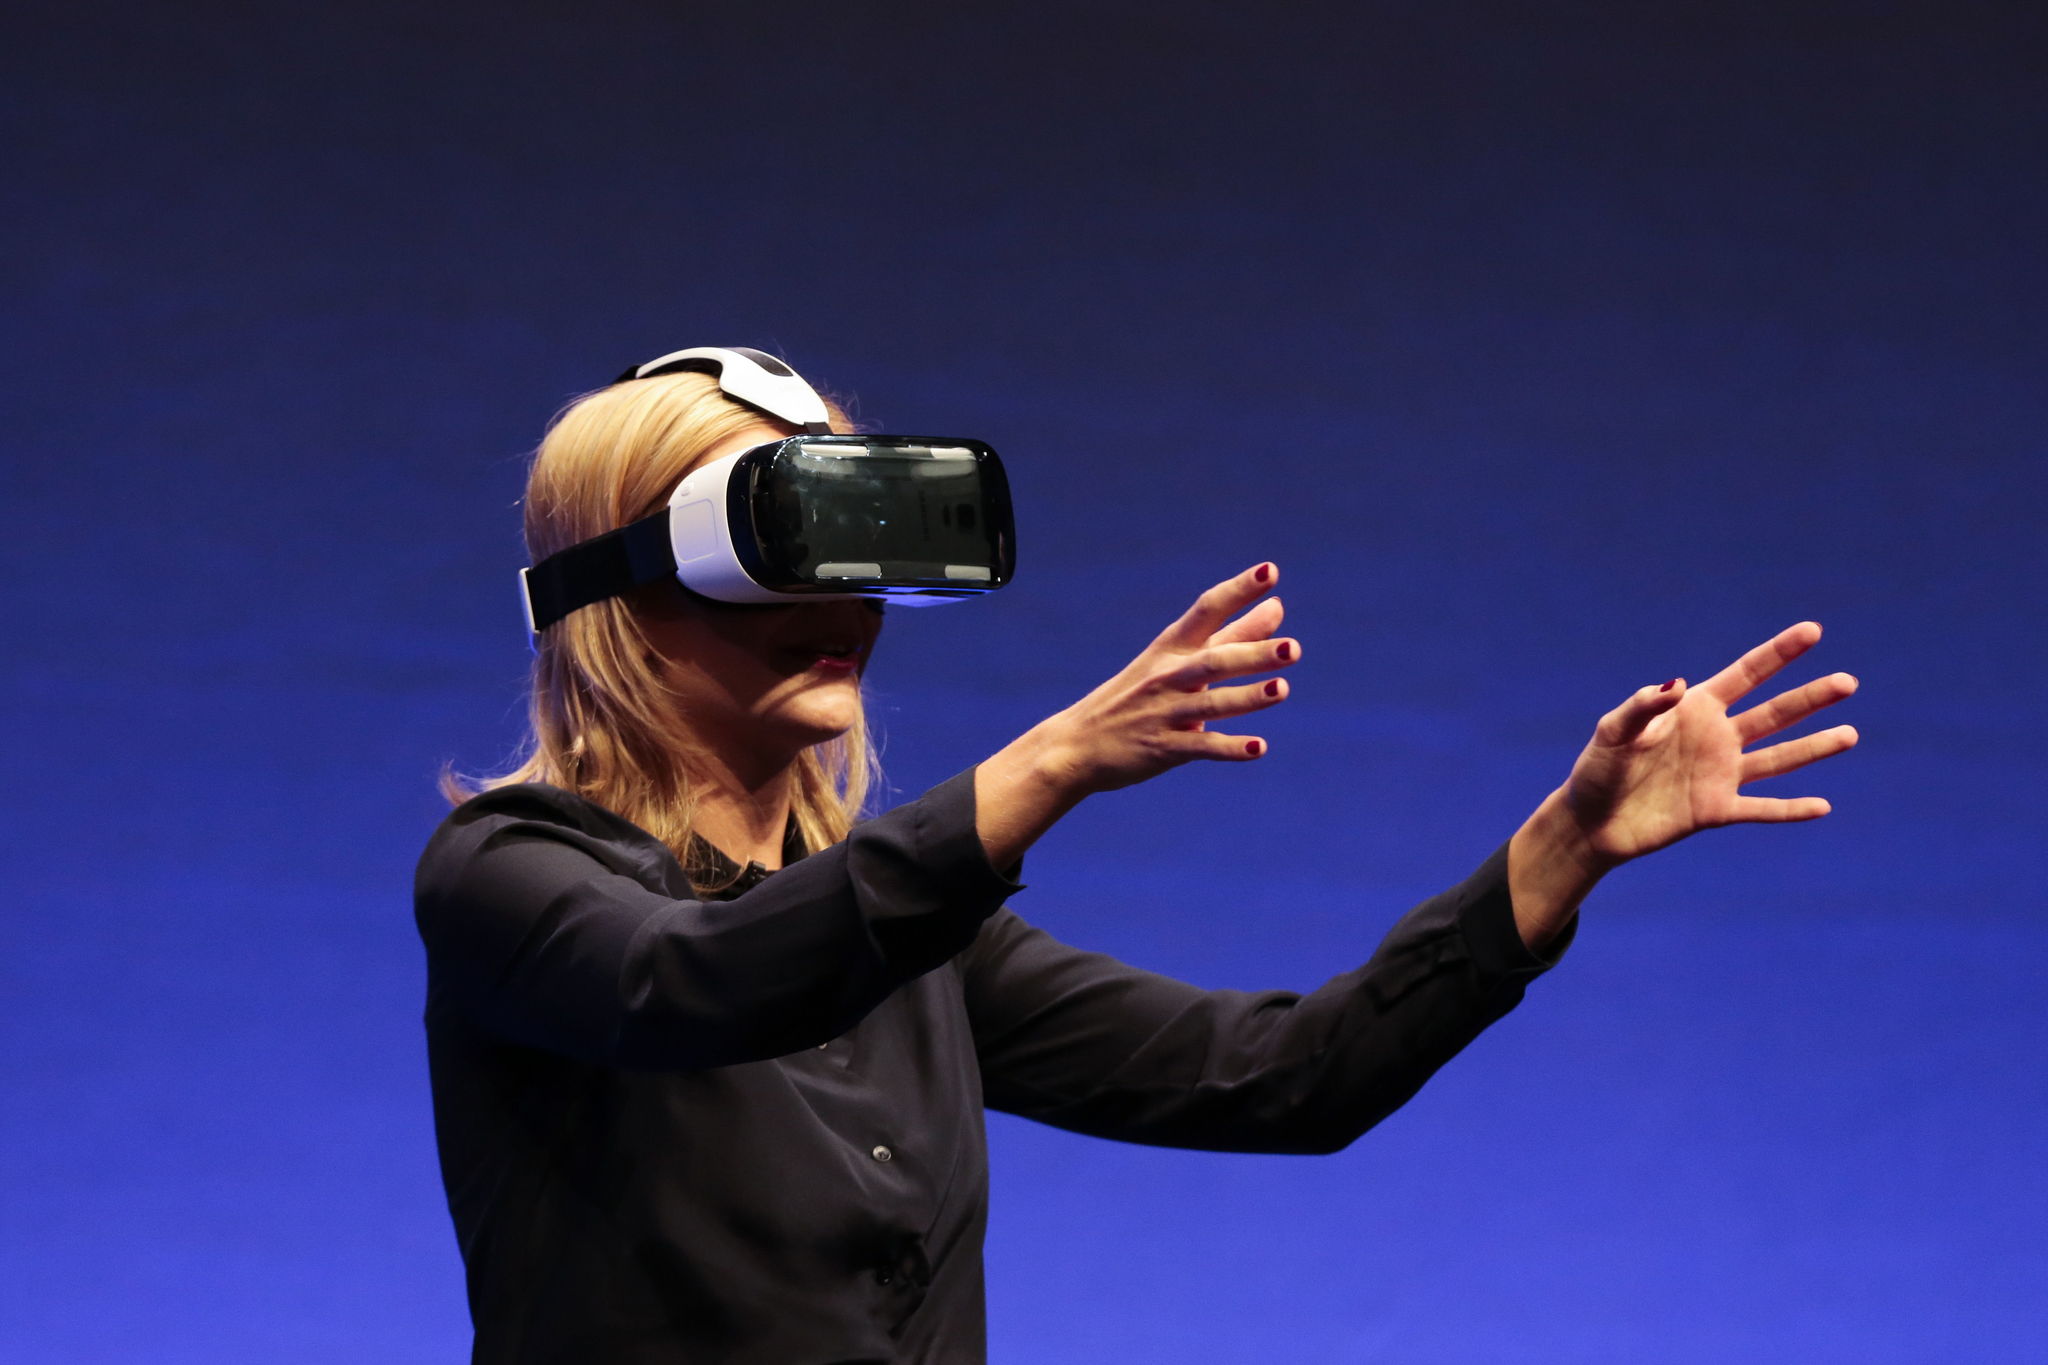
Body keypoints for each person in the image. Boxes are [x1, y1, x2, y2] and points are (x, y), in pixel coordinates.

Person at [415, 354, 1859, 1365]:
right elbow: (694, 983)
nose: (838, 601)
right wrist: (1047, 764)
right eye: (778, 543)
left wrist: (1564, 847)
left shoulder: (926, 951)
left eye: (858, 544)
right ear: (623, 595)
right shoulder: (504, 877)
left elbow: (1285, 1078)